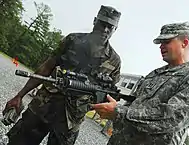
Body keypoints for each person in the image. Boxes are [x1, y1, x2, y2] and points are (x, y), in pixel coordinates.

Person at [3, 5, 121, 145]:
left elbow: (109, 95)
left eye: (110, 26)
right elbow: (46, 68)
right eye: (103, 23)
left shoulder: (114, 61)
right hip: (43, 105)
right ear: (95, 21)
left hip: (71, 119)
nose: (105, 29)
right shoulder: (72, 40)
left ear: (115, 29)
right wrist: (19, 95)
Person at [92, 22, 189, 145]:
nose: (161, 46)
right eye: (160, 43)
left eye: (167, 42)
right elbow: (133, 104)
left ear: (184, 42)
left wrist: (119, 112)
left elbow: (174, 118)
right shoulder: (154, 74)